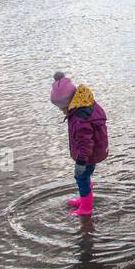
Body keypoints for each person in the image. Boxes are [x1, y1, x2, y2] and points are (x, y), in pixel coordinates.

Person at [52, 76, 110, 217]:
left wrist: (81, 161)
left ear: (68, 103)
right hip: (93, 151)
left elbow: (85, 143)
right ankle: (85, 198)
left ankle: (86, 207)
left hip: (88, 155)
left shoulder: (80, 118)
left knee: (81, 177)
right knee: (85, 176)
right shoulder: (85, 103)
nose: (61, 111)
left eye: (61, 108)